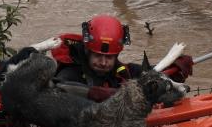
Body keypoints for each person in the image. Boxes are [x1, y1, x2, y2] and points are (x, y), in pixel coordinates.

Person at [52, 14, 194, 102]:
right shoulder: (69, 74)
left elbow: (151, 74)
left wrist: (175, 69)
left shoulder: (122, 70)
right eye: (97, 55)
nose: (103, 62)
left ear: (117, 55)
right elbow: (59, 94)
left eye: (109, 57)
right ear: (87, 51)